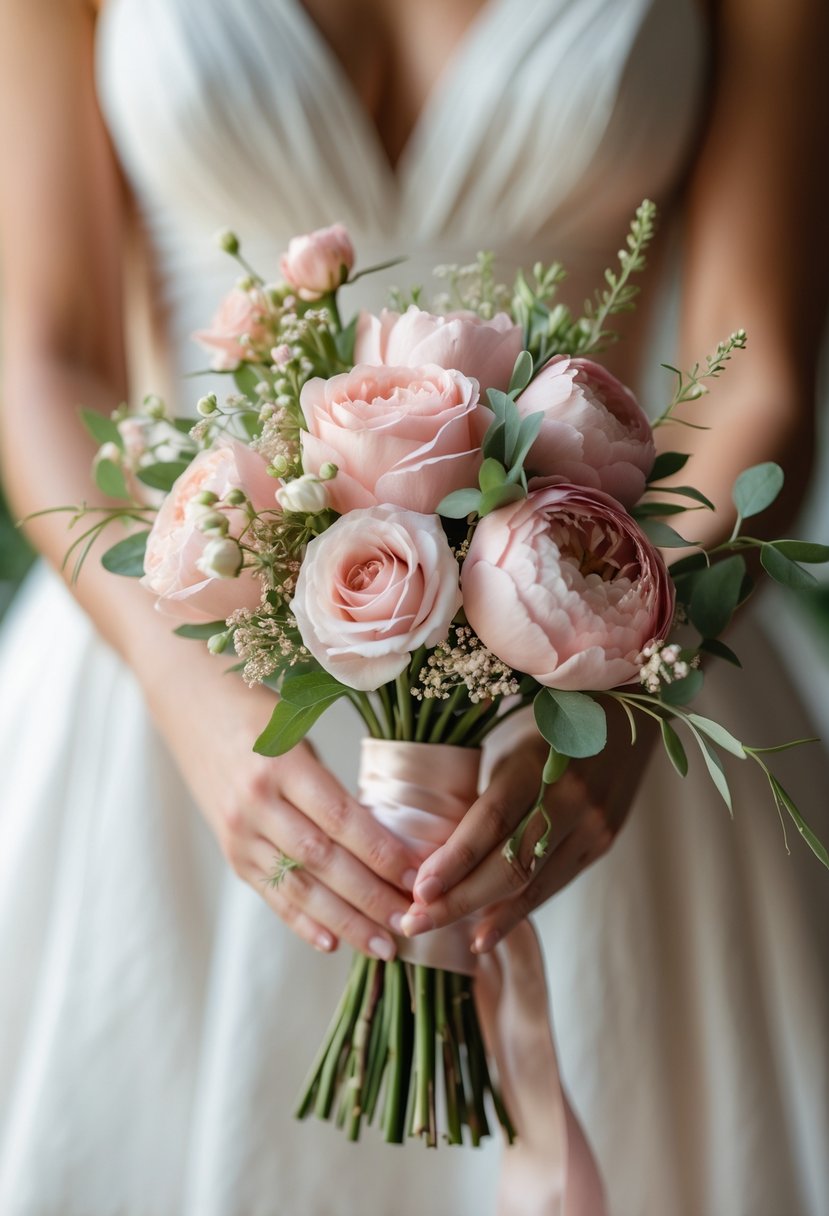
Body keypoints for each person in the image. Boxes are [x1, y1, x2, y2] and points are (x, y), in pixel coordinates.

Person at [0, 0, 827, 1213]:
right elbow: (42, 349)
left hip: (594, 694)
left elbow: (760, 370)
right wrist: (185, 690)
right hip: (171, 707)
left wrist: (642, 680)